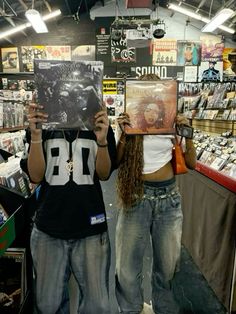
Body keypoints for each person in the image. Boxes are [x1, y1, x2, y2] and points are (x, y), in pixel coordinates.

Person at [20, 99, 117, 314]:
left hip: (91, 225)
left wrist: (101, 140)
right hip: (49, 226)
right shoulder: (44, 121)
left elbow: (104, 173)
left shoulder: (97, 121)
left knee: (97, 306)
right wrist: (36, 137)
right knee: (48, 305)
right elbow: (35, 175)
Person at [115, 73, 196, 314]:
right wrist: (123, 134)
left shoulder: (171, 122)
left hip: (168, 199)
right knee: (127, 268)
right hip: (136, 197)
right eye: (146, 108)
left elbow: (190, 163)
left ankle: (165, 309)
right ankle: (130, 309)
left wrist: (188, 133)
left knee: (168, 267)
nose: (150, 113)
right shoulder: (130, 121)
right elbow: (117, 162)